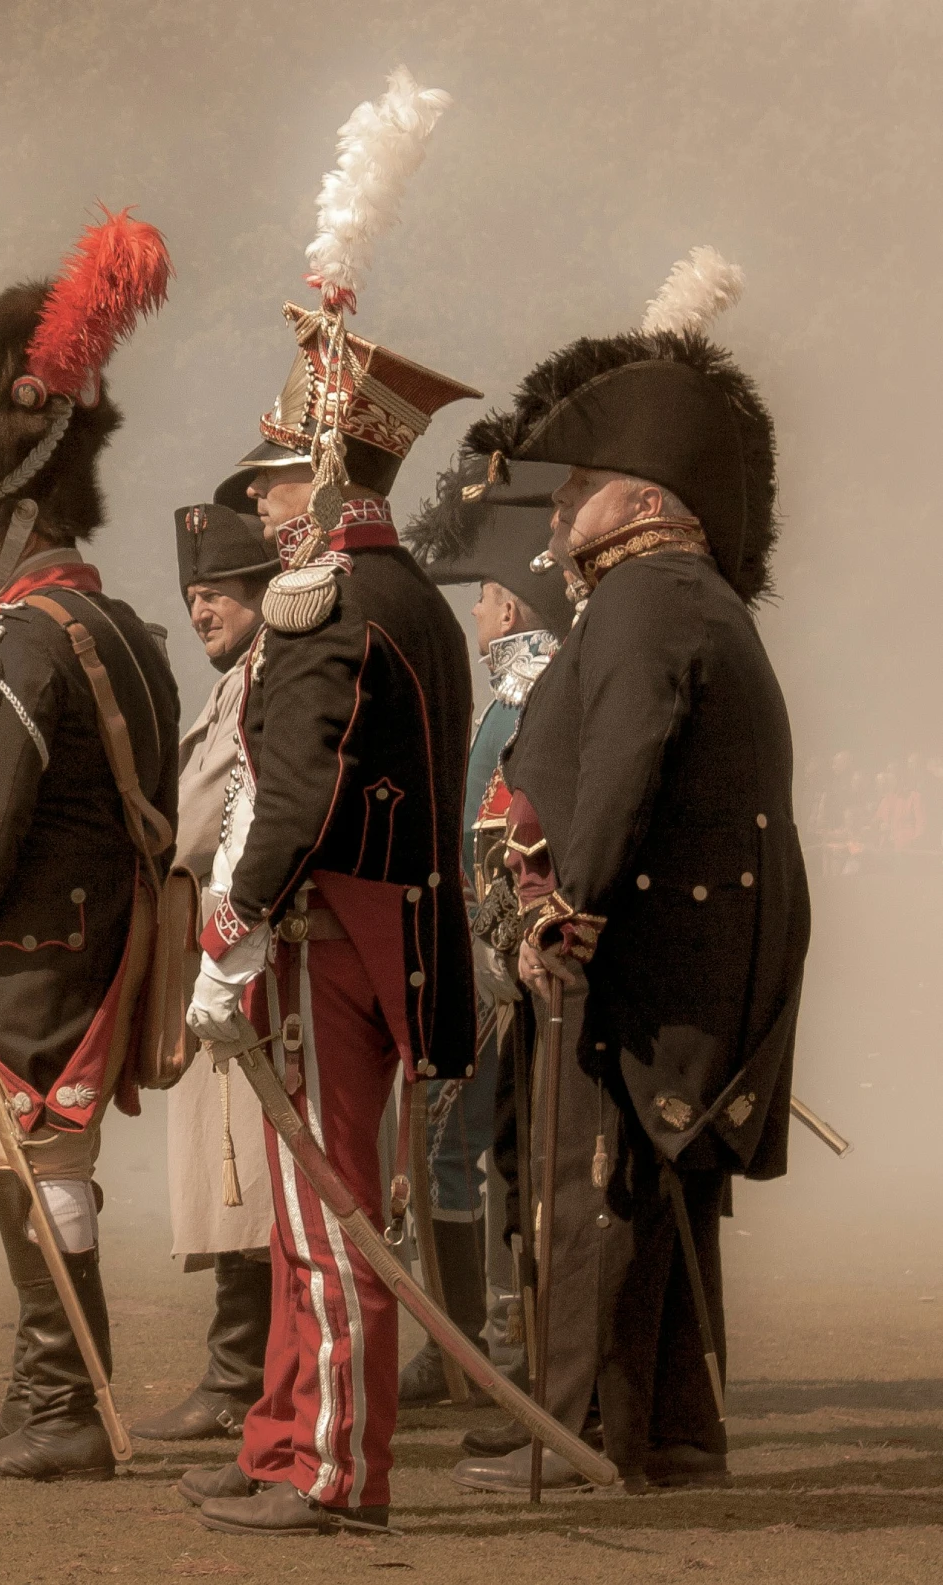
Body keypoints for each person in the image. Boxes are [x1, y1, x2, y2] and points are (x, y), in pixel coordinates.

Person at [448, 273, 810, 1494]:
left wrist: (562, 903)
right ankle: (677, 1436)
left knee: (590, 1194)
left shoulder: (646, 601)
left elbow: (623, 769)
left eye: (577, 498)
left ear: (645, 498)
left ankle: (581, 1436)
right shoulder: (685, 596)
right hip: (697, 945)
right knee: (666, 1196)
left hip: (641, 946)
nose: (553, 528)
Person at [179, 302, 480, 1534]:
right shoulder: (408, 594)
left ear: (330, 473)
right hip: (382, 940)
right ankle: (283, 1437)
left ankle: (336, 1468)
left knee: (325, 1209)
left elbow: (294, 791)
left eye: (279, 476)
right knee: (319, 1205)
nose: (259, 508)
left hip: (327, 945)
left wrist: (231, 927)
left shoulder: (329, 598)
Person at [0, 211, 181, 1481]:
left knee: (42, 1158)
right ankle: (45, 1389)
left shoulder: (24, 640)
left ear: (19, 516)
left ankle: (64, 1402)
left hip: (35, 946)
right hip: (87, 934)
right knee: (38, 1159)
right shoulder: (114, 621)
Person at [395, 448, 575, 1407]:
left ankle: (471, 1348)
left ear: (506, 606)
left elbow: (495, 843)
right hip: (499, 963)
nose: (471, 614)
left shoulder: (519, 697)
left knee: (454, 1148)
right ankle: (487, 1340)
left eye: (479, 599)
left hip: (492, 970)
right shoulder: (535, 690)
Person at [131, 503, 279, 1444]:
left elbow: (212, 820)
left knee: (244, 1179)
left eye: (217, 593)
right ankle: (238, 1368)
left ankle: (239, 1377)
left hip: (238, 953)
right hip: (211, 945)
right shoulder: (231, 686)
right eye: (191, 596)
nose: (200, 612)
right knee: (231, 1174)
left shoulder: (262, 679)